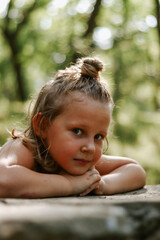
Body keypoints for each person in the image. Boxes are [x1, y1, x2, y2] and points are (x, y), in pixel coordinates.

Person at [0, 57, 146, 198]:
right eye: (77, 131)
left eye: (98, 137)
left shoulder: (81, 159)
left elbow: (135, 170)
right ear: (43, 126)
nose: (90, 147)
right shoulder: (26, 148)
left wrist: (100, 184)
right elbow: (3, 179)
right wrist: (69, 184)